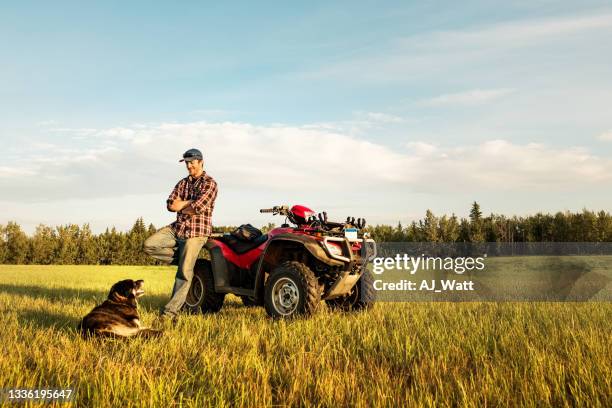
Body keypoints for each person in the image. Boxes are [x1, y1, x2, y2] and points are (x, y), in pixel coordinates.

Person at [144, 148, 218, 321]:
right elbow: (170, 205)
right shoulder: (182, 183)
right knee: (149, 245)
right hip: (178, 228)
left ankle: (169, 314)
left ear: (201, 162)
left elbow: (197, 208)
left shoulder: (210, 183)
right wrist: (189, 202)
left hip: (196, 232)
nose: (189, 166)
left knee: (184, 273)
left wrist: (182, 204)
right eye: (186, 162)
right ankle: (187, 261)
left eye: (192, 162)